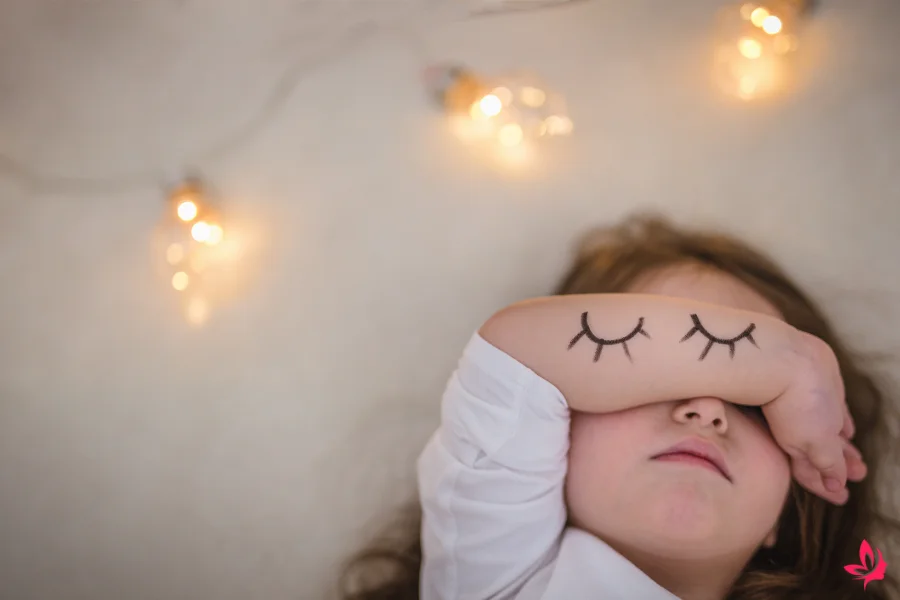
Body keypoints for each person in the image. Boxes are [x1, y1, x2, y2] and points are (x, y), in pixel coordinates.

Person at [337, 214, 900, 600]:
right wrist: (792, 362)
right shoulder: (498, 574)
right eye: (652, 381)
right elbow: (515, 358)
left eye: (755, 402)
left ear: (787, 512)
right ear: (549, 430)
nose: (705, 411)